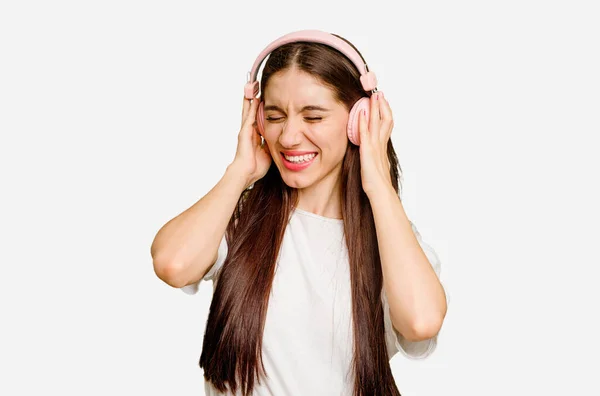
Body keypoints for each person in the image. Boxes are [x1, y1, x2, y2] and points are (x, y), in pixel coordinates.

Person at [151, 30, 448, 396]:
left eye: (313, 117)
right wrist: (239, 170)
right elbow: (172, 264)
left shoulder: (391, 238)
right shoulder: (239, 216)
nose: (289, 137)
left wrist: (379, 184)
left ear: (360, 120)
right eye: (275, 116)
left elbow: (421, 322)